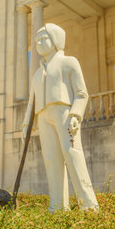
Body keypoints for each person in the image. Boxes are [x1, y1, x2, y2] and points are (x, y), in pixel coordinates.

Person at [21, 23, 99, 212]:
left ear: (56, 40)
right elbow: (32, 102)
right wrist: (26, 124)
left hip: (64, 112)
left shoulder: (68, 62)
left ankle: (88, 205)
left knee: (72, 155)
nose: (39, 43)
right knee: (51, 160)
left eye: (44, 38)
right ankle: (57, 206)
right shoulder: (37, 74)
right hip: (42, 116)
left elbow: (81, 93)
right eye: (37, 40)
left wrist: (76, 114)